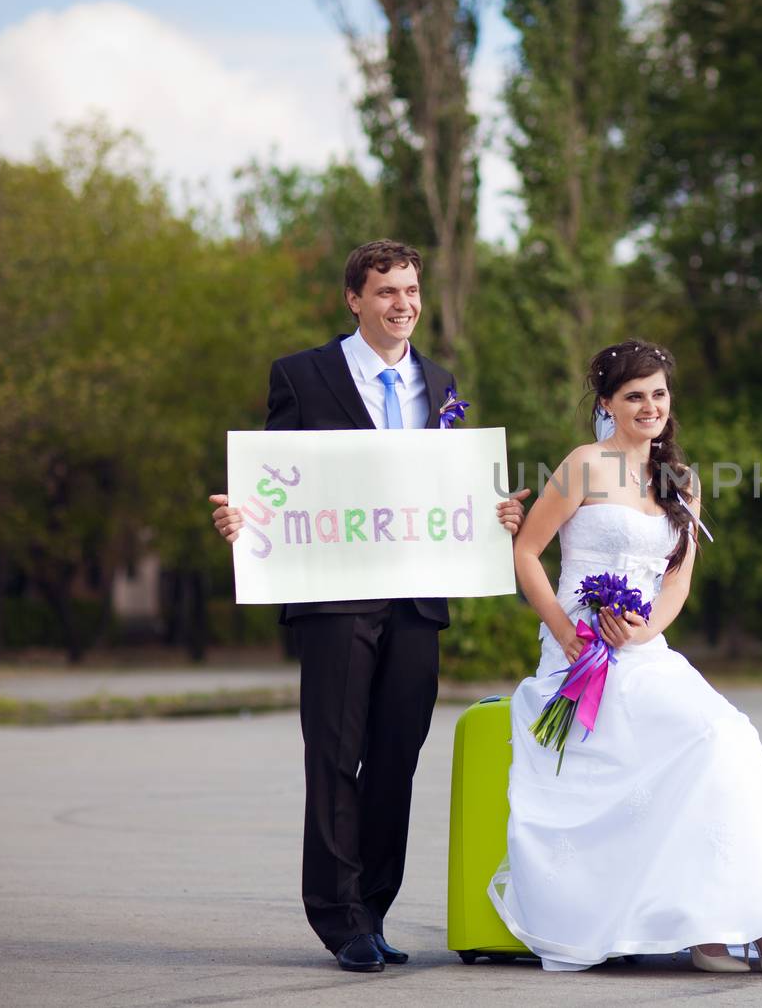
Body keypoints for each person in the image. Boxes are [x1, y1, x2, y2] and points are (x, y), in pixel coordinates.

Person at [208, 239, 528, 973]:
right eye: (387, 291)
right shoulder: (302, 375)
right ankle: (338, 916)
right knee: (334, 755)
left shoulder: (439, 382)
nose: (403, 304)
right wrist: (243, 519)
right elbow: (274, 481)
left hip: (416, 599)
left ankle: (375, 908)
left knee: (396, 758)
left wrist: (493, 516)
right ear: (355, 299)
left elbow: (445, 489)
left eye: (412, 290)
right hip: (333, 598)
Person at [493, 340, 762, 974]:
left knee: (731, 737)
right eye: (634, 396)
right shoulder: (584, 465)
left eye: (659, 393)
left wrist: (643, 629)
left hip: (645, 649)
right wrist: (566, 630)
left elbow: (677, 579)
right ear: (606, 404)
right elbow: (527, 552)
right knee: (706, 741)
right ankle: (708, 938)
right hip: (579, 653)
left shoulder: (681, 481)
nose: (650, 406)